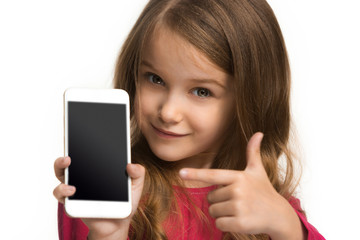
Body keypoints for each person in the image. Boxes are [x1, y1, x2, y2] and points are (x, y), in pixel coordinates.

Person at [53, 0, 326, 239]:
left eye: (201, 91)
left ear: (248, 99)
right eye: (155, 79)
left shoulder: (264, 203)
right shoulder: (105, 190)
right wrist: (108, 235)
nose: (168, 112)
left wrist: (286, 225)